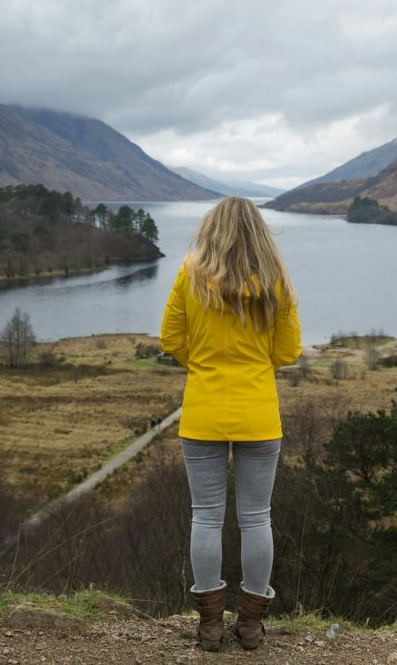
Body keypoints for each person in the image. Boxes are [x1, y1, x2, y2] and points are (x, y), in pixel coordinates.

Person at [160, 196, 301, 651]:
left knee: (206, 517)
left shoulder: (189, 273)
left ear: (212, 229)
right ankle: (251, 626)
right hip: (259, 414)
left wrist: (200, 364)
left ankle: (209, 627)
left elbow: (171, 339)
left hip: (202, 413)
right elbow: (287, 352)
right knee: (257, 518)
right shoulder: (276, 281)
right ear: (259, 232)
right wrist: (254, 366)